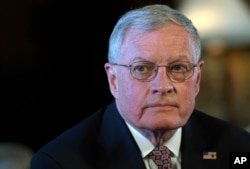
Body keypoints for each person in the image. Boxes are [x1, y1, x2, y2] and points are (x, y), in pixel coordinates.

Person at [30, 4, 250, 169]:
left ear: (197, 79)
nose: (163, 86)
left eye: (178, 68)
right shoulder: (61, 162)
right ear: (114, 80)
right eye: (142, 69)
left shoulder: (239, 148)